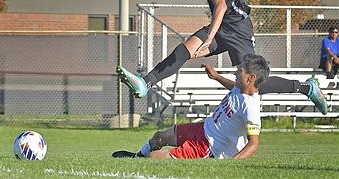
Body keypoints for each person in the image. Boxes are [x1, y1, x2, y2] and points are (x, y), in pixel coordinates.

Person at [116, 0, 328, 115]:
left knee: (253, 84)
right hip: (223, 26)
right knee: (182, 52)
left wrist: (209, 38)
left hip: (236, 28)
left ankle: (306, 88)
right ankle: (146, 83)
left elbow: (221, 5)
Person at [113, 54, 269, 159]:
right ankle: (136, 157)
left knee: (155, 157)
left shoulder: (251, 107)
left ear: (251, 78)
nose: (235, 72)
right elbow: (232, 86)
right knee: (159, 136)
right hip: (202, 128)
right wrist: (216, 77)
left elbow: (254, 144)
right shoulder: (240, 88)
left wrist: (231, 164)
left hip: (209, 146)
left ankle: (141, 159)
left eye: (239, 71)